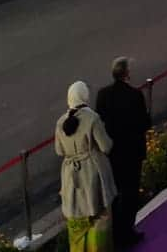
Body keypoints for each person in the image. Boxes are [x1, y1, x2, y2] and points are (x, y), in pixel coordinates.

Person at [94, 57, 150, 248]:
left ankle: (115, 232)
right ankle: (126, 231)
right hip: (132, 153)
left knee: (115, 194)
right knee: (130, 193)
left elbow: (99, 119)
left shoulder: (103, 94)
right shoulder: (135, 95)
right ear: (127, 74)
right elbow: (145, 123)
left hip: (112, 153)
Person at [55, 80, 116, 252]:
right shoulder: (92, 119)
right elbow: (106, 146)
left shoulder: (60, 122)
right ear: (85, 96)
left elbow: (59, 150)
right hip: (92, 174)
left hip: (71, 178)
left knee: (76, 223)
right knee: (100, 219)